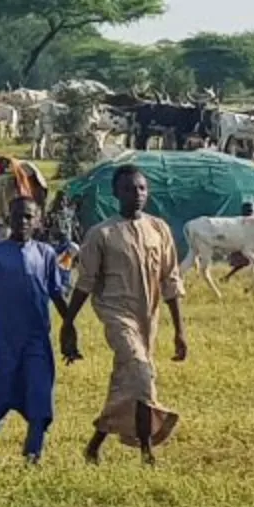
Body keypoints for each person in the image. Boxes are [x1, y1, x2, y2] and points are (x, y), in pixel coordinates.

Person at [61, 164, 190, 465]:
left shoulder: (159, 229)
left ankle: (95, 444)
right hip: (117, 315)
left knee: (127, 379)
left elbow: (171, 280)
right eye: (130, 189)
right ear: (116, 193)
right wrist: (68, 324)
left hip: (150, 316)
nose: (137, 195)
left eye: (142, 188)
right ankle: (147, 450)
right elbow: (85, 282)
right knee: (141, 371)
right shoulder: (102, 234)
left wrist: (180, 330)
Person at [0, 198, 65, 463]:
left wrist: (69, 325)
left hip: (36, 339)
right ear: (8, 219)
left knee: (40, 393)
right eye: (18, 217)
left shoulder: (46, 254)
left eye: (28, 217)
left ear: (37, 220)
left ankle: (33, 452)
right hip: (2, 338)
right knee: (3, 393)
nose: (23, 222)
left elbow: (56, 293)